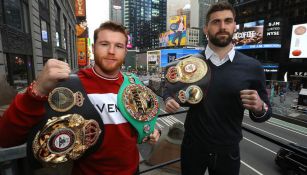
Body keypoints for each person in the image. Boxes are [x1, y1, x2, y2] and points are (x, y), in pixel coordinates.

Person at [0, 21, 160, 175]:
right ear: (93, 47)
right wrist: (37, 90)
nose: (111, 51)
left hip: (133, 171)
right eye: (104, 44)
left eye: (119, 46)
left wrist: (153, 130)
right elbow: (6, 138)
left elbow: (143, 120)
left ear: (125, 51)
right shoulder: (67, 86)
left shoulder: (134, 84)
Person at [163, 2, 272, 175]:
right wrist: (168, 99)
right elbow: (169, 88)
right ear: (206, 29)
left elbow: (265, 113)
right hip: (193, 147)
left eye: (228, 21)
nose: (222, 26)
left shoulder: (253, 66)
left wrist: (259, 107)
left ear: (234, 26)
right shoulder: (190, 63)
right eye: (216, 22)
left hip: (228, 151)